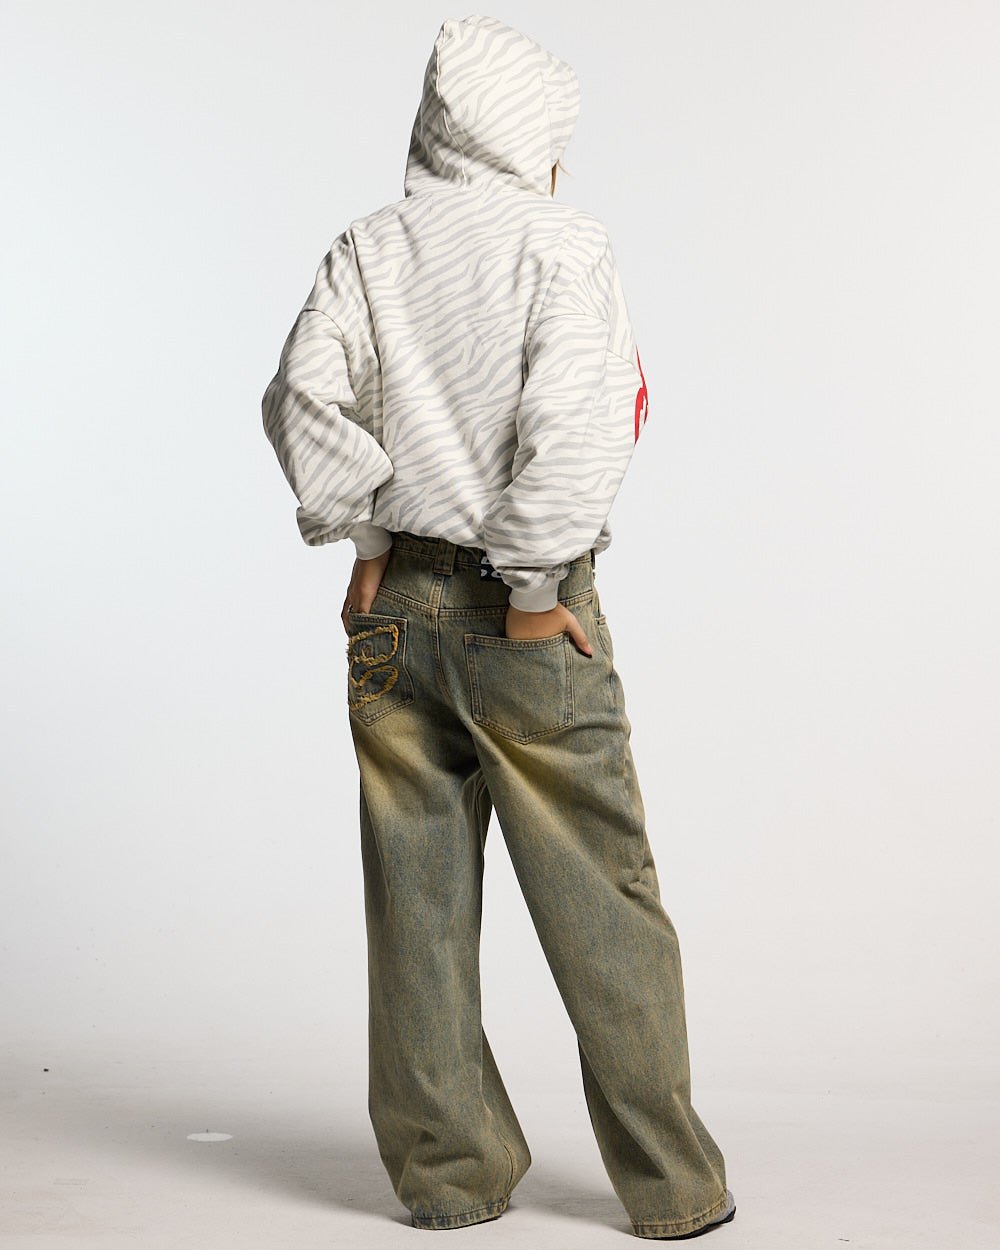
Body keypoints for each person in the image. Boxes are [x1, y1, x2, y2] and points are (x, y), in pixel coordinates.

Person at [261, 14, 735, 1241]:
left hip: (392, 612)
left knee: (414, 897)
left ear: (433, 126)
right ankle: (670, 1187)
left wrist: (367, 542)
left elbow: (303, 393)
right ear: (537, 140)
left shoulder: (368, 245)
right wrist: (531, 594)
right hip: (520, 613)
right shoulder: (562, 244)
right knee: (600, 891)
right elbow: (581, 423)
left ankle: (449, 1173)